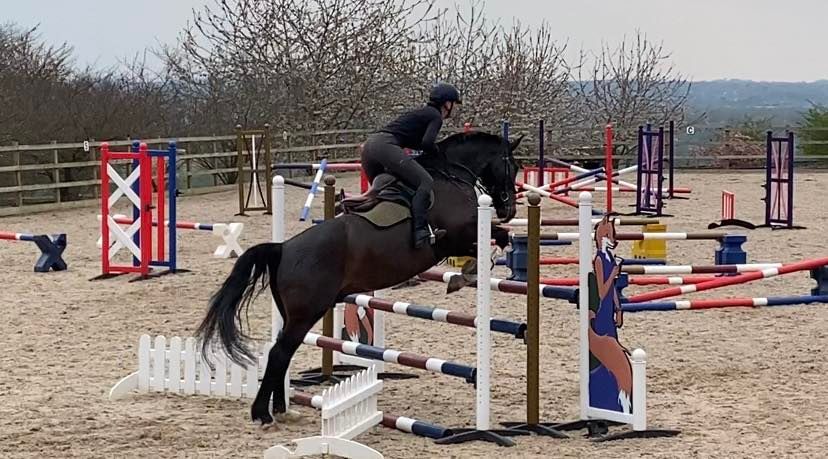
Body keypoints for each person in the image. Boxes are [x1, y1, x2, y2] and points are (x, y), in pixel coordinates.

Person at [361, 82, 462, 248]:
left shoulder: (422, 113)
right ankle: (420, 232)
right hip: (385, 145)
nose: (454, 109)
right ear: (447, 103)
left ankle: (386, 231)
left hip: (369, 148)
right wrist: (439, 153)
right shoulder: (435, 116)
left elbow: (416, 142)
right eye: (454, 104)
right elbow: (427, 143)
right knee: (425, 182)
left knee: (388, 189)